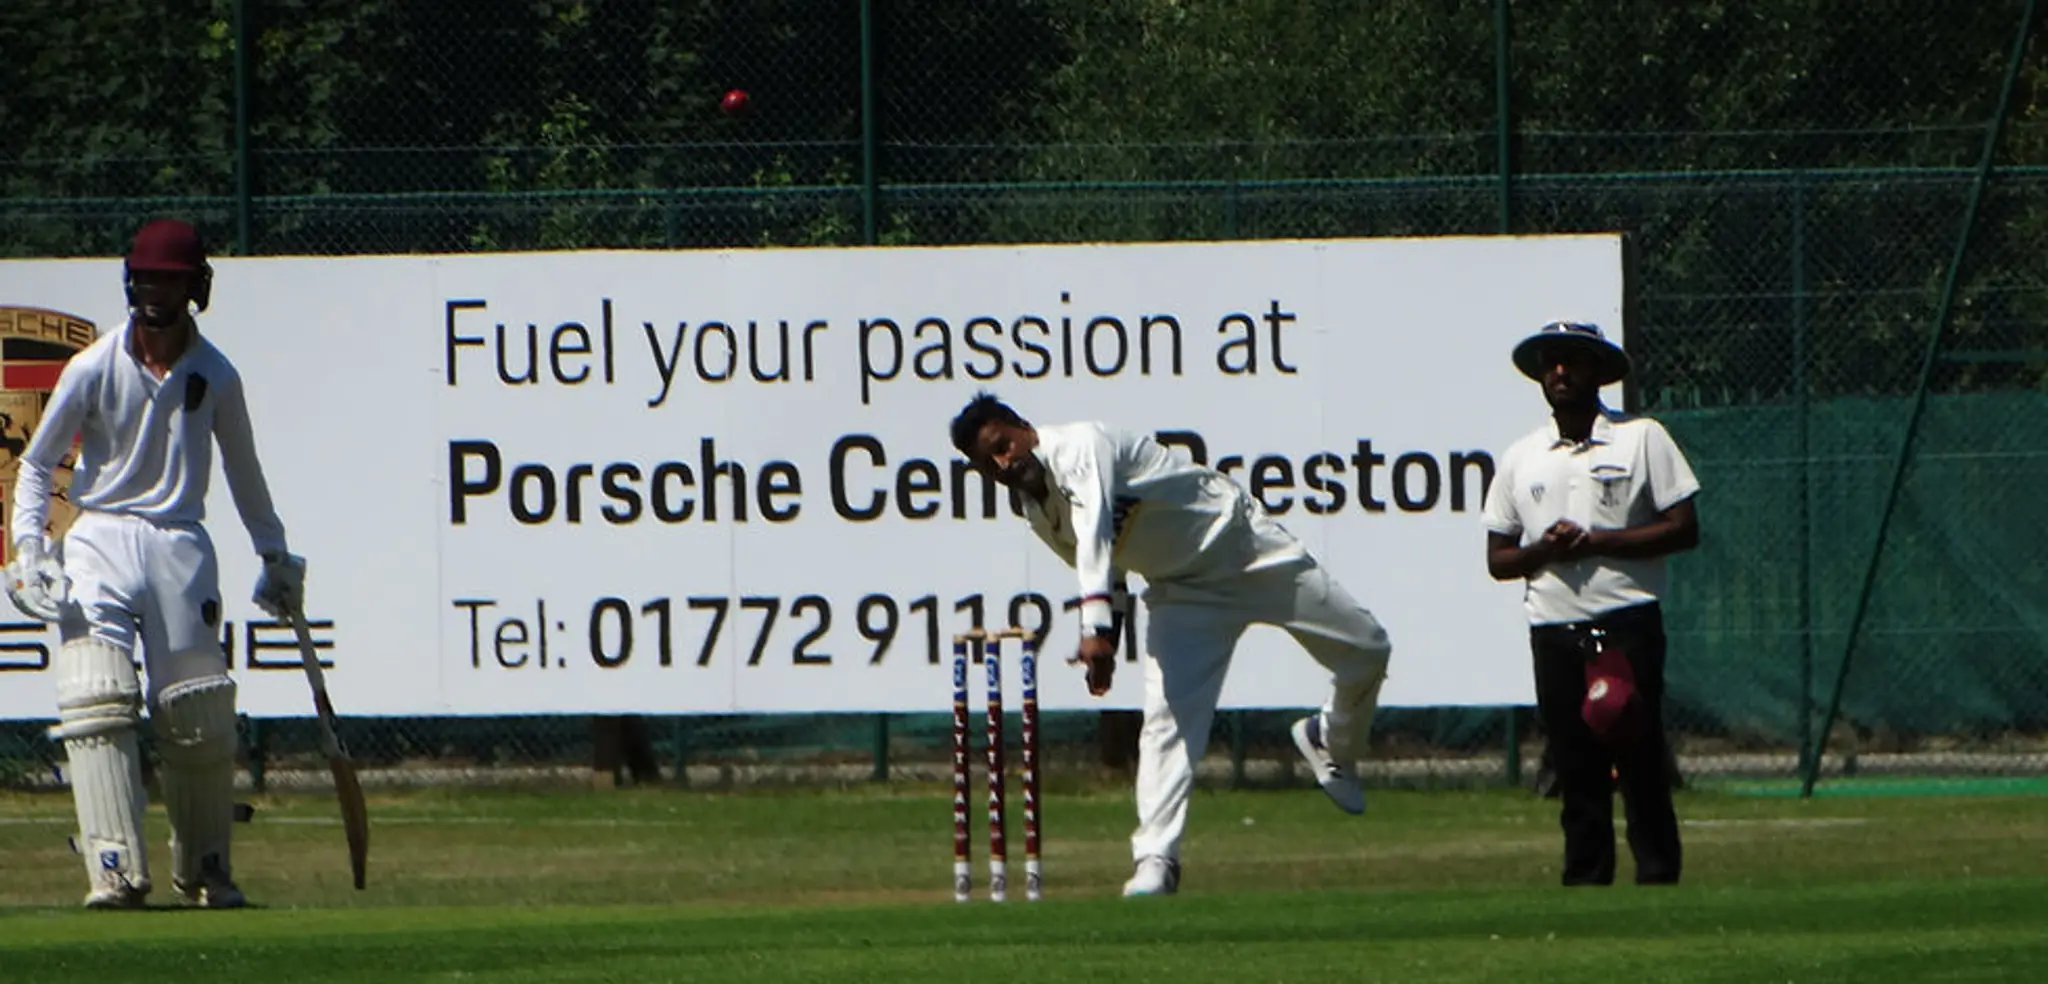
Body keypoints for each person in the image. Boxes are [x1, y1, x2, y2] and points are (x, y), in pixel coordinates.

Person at [949, 392, 1394, 897]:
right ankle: (1156, 859)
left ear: (1023, 427)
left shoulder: (1079, 446)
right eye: (990, 464)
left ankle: (1329, 740)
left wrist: (1094, 629)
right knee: (1167, 722)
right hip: (1183, 594)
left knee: (1368, 648)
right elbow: (1105, 565)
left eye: (1003, 445)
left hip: (1244, 547)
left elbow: (1095, 530)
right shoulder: (1036, 510)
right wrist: (1109, 636)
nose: (1005, 462)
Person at [5, 218, 307, 909]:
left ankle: (205, 867)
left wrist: (274, 551)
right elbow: (37, 463)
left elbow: (244, 471)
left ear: (195, 286)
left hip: (178, 541)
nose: (154, 291)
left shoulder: (216, 373)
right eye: (145, 277)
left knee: (196, 712)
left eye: (168, 279)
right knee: (95, 701)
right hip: (99, 538)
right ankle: (113, 871)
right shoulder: (94, 365)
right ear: (128, 281)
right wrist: (29, 548)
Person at [1481, 320, 1700, 886]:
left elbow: (1683, 528)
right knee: (1573, 762)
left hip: (1625, 619)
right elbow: (1499, 560)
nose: (1561, 372)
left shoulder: (1642, 437)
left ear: (1598, 372)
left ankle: (1657, 873)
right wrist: (1545, 550)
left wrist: (1601, 540)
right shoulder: (1521, 457)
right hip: (1553, 626)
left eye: (1573, 361)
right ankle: (1585, 879)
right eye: (1551, 362)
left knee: (1639, 755)